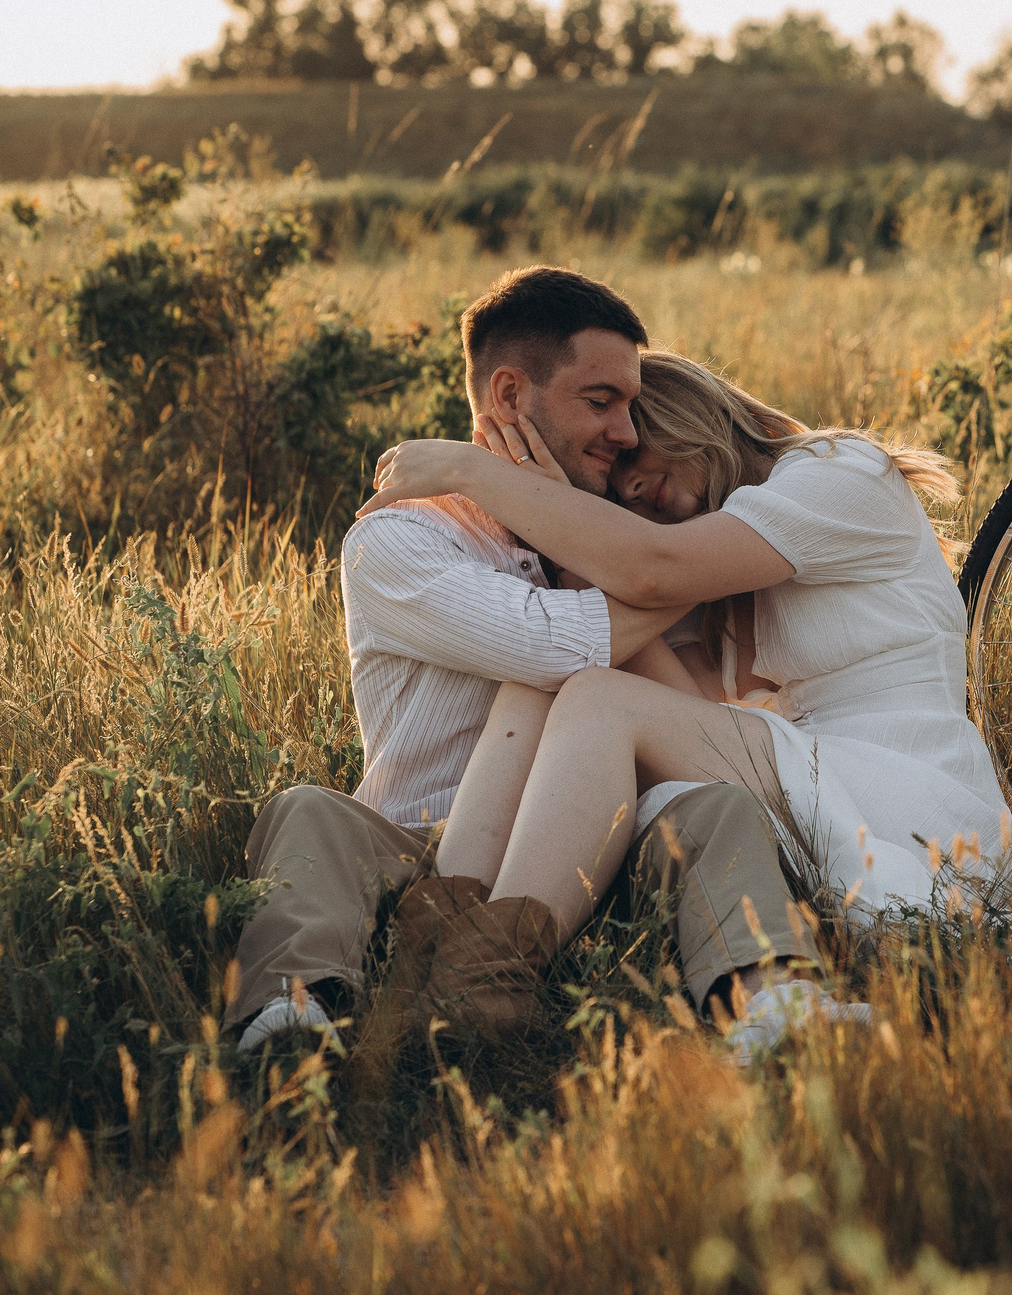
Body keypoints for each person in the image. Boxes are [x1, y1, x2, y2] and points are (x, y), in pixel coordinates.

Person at [227, 267, 827, 1060]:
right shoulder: (401, 539)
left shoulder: (616, 529)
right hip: (422, 853)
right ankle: (292, 1020)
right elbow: (550, 648)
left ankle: (775, 999)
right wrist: (670, 566)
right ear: (509, 395)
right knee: (307, 810)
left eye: (630, 404)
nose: (624, 430)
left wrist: (615, 542)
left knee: (714, 810)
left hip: (586, 848)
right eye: (600, 400)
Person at [360, 352, 1012, 1050]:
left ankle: (487, 972)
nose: (633, 482)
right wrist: (577, 551)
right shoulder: (731, 587)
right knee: (556, 681)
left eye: (638, 449)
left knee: (595, 696)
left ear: (694, 414)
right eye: (616, 486)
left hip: (906, 784)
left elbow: (651, 567)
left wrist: (478, 474)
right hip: (821, 772)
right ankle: (439, 948)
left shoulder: (837, 472)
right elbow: (681, 720)